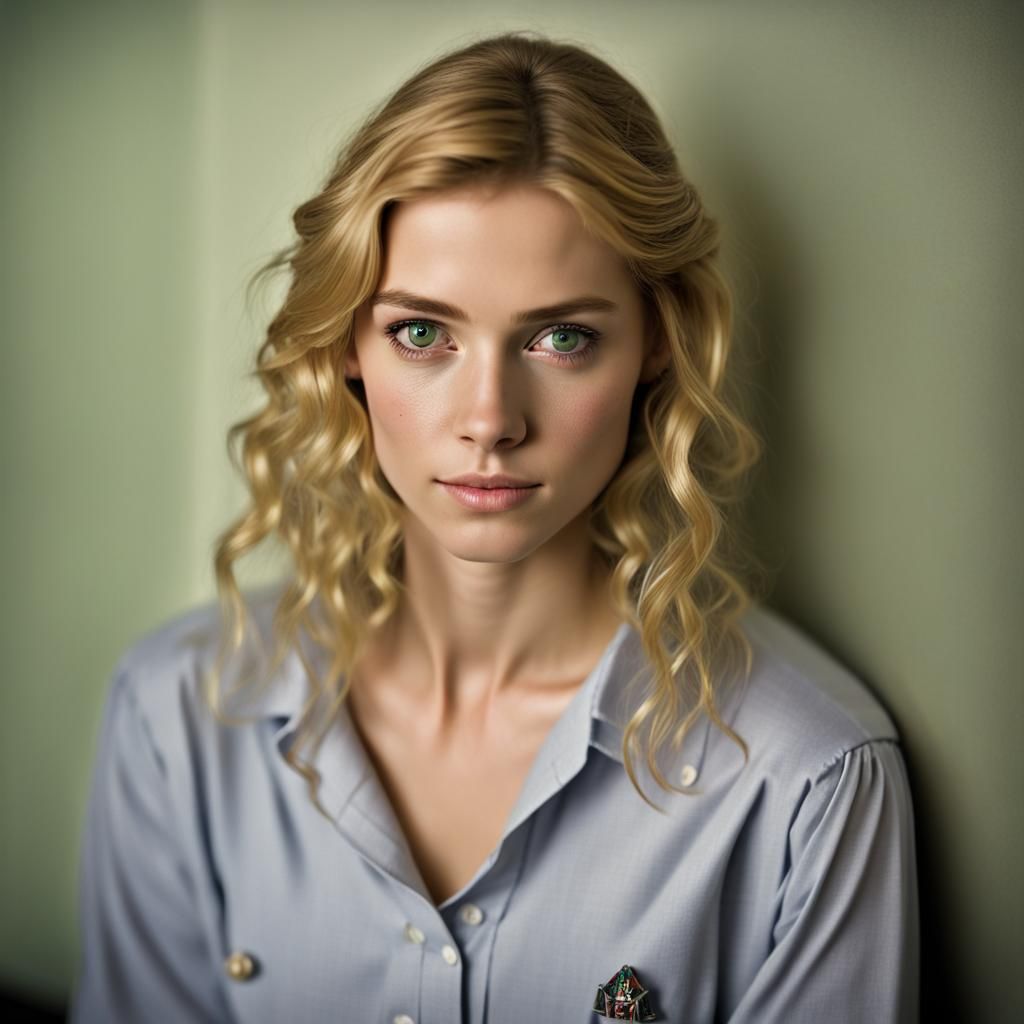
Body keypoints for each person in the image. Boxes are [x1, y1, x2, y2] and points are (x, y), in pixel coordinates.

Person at [69, 29, 919, 1024]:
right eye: (421, 332)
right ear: (346, 346)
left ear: (657, 342)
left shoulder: (808, 780)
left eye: (562, 337)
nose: (489, 420)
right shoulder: (179, 713)